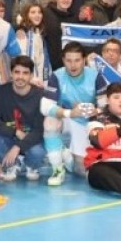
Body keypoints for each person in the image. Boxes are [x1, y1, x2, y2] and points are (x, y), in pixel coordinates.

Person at [42, 42, 99, 186]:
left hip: (87, 124)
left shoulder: (95, 76)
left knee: (81, 171)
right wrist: (70, 112)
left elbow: (105, 105)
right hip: (68, 119)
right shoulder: (57, 76)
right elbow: (45, 106)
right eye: (69, 61)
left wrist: (95, 110)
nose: (73, 65)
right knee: (50, 121)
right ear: (63, 61)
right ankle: (57, 169)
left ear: (84, 60)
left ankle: (67, 156)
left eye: (77, 60)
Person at [0, 55, 49, 182]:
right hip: (9, 137)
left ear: (31, 75)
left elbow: (39, 130)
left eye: (25, 73)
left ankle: (31, 166)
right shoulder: (1, 91)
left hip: (31, 140)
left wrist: (18, 147)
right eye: (17, 72)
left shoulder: (40, 96)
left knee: (38, 153)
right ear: (11, 74)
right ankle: (12, 166)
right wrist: (15, 132)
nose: (20, 77)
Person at [15, 2, 51, 86]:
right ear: (26, 15)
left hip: (39, 78)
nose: (37, 15)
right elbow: (22, 58)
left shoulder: (38, 32)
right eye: (33, 12)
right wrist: (31, 78)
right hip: (28, 80)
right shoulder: (22, 33)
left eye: (39, 12)